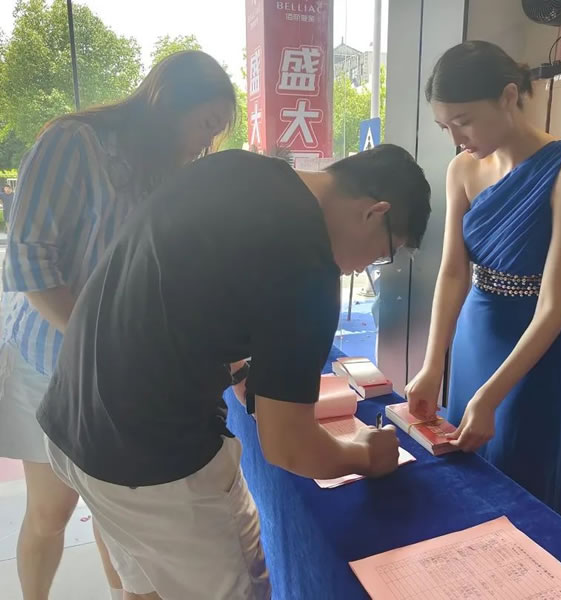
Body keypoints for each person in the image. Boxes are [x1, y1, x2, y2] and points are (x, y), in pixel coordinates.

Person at [36, 144, 431, 600]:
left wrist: (240, 369)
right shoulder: (308, 262)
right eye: (384, 253)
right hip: (151, 461)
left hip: (71, 420)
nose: (364, 268)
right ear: (374, 213)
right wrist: (365, 457)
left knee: (147, 589)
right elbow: (289, 447)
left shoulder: (234, 168)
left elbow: (188, 289)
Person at [0, 50, 236, 600]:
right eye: (206, 123)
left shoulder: (166, 173)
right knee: (51, 512)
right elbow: (30, 263)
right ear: (167, 101)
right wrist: (100, 341)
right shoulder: (75, 143)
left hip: (118, 372)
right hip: (50, 361)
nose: (206, 142)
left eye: (216, 134)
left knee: (116, 517)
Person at [405, 41, 561, 516]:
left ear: (509, 96)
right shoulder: (462, 169)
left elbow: (555, 303)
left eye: (464, 121)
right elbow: (453, 272)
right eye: (446, 127)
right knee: (465, 465)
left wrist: (491, 395)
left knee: (520, 468)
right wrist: (433, 365)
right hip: (476, 332)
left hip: (536, 345)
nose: (456, 138)